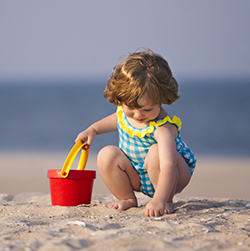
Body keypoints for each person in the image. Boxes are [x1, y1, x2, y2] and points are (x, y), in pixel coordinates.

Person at [75, 48, 196, 217]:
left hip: (171, 176)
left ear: (161, 99)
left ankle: (167, 200)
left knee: (155, 153)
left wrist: (160, 199)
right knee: (106, 154)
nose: (138, 115)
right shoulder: (124, 115)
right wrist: (91, 131)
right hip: (139, 175)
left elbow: (168, 165)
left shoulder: (163, 127)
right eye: (131, 108)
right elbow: (103, 125)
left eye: (147, 109)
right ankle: (127, 198)